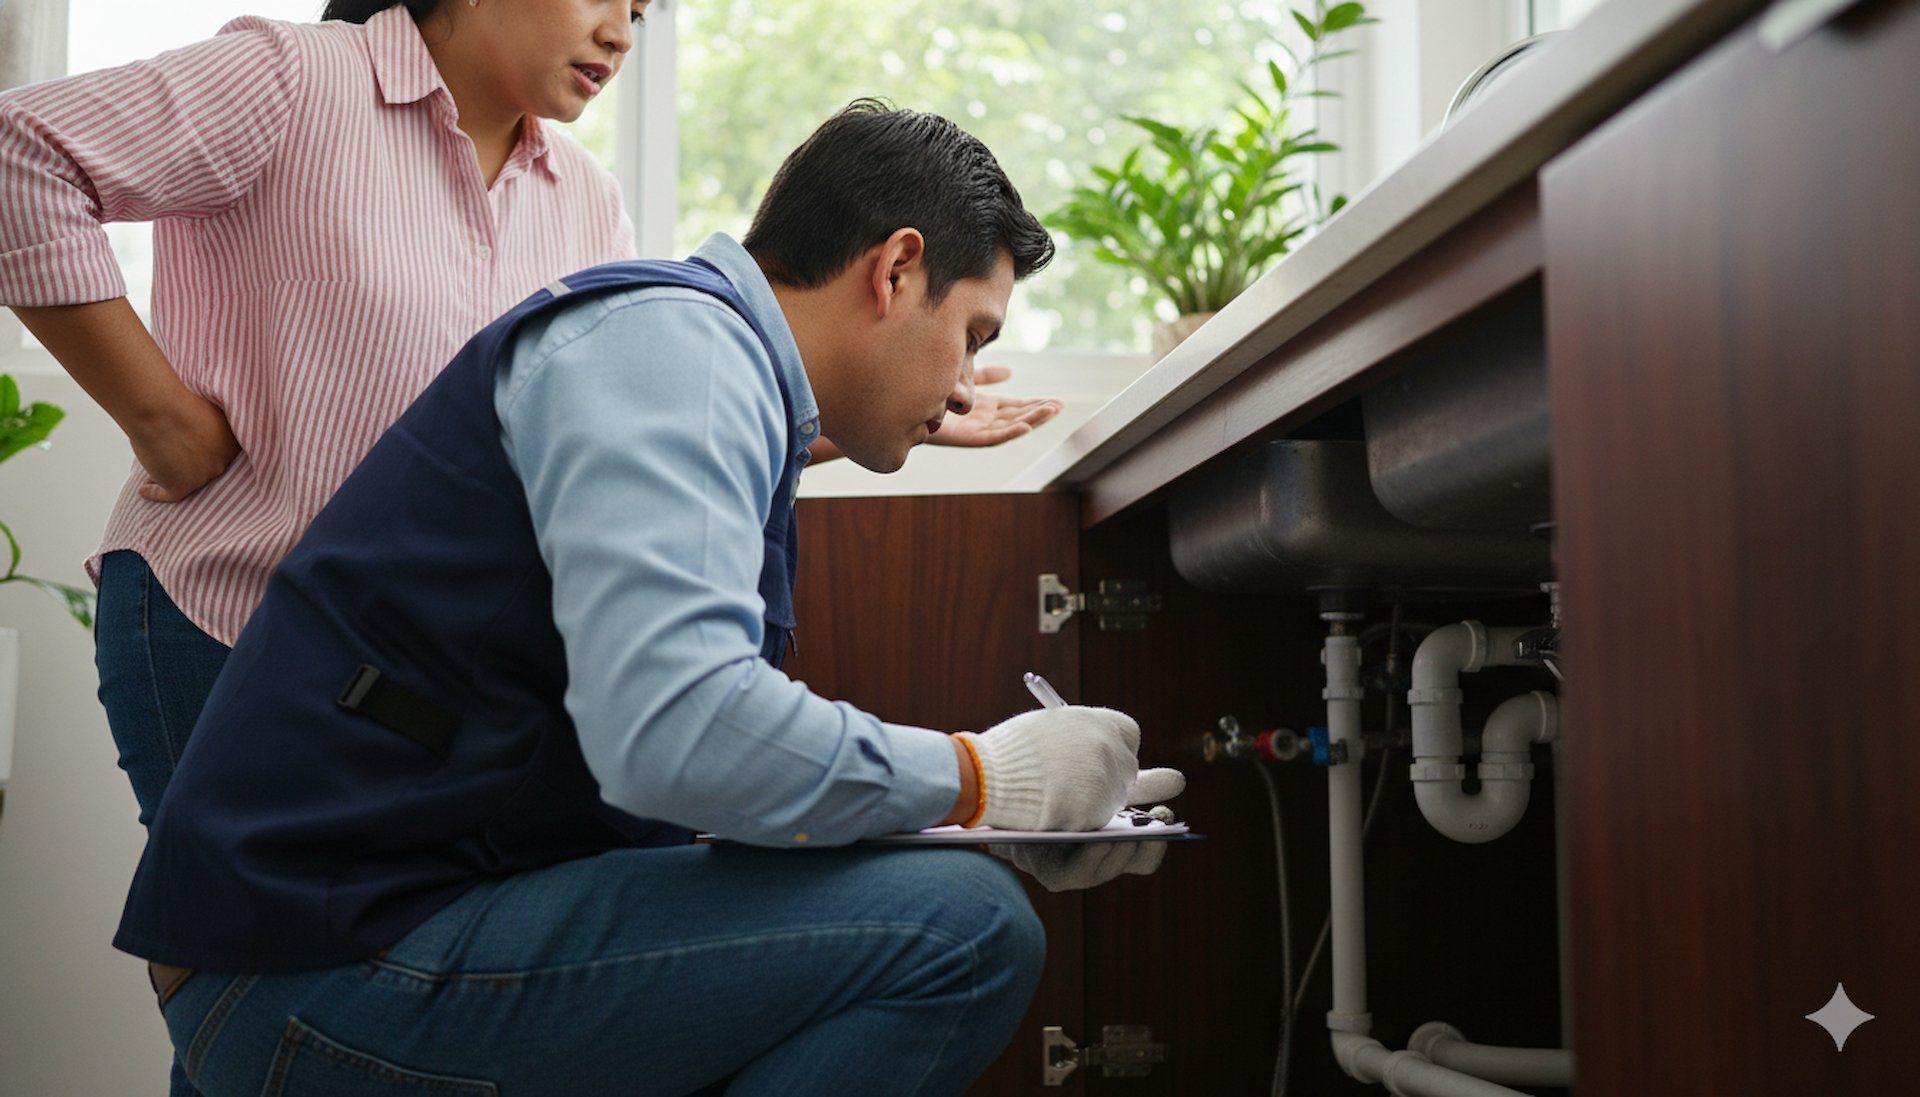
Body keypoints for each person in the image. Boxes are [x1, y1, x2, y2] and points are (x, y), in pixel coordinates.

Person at [115, 100, 1183, 1097]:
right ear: (898, 268)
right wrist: (983, 777)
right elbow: (681, 735)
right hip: (315, 969)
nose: (964, 383)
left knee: (951, 898)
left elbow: (694, 774)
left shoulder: (700, 368)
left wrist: (986, 818)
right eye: (976, 332)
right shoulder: (674, 350)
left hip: (340, 939)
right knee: (965, 933)